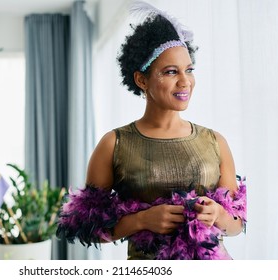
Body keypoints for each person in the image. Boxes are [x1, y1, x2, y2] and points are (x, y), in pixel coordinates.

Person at [57, 0, 246, 260]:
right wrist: (142, 220)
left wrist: (219, 215)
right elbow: (86, 227)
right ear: (141, 79)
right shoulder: (114, 144)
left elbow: (237, 225)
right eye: (170, 71)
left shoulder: (215, 141)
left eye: (189, 70)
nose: (185, 81)